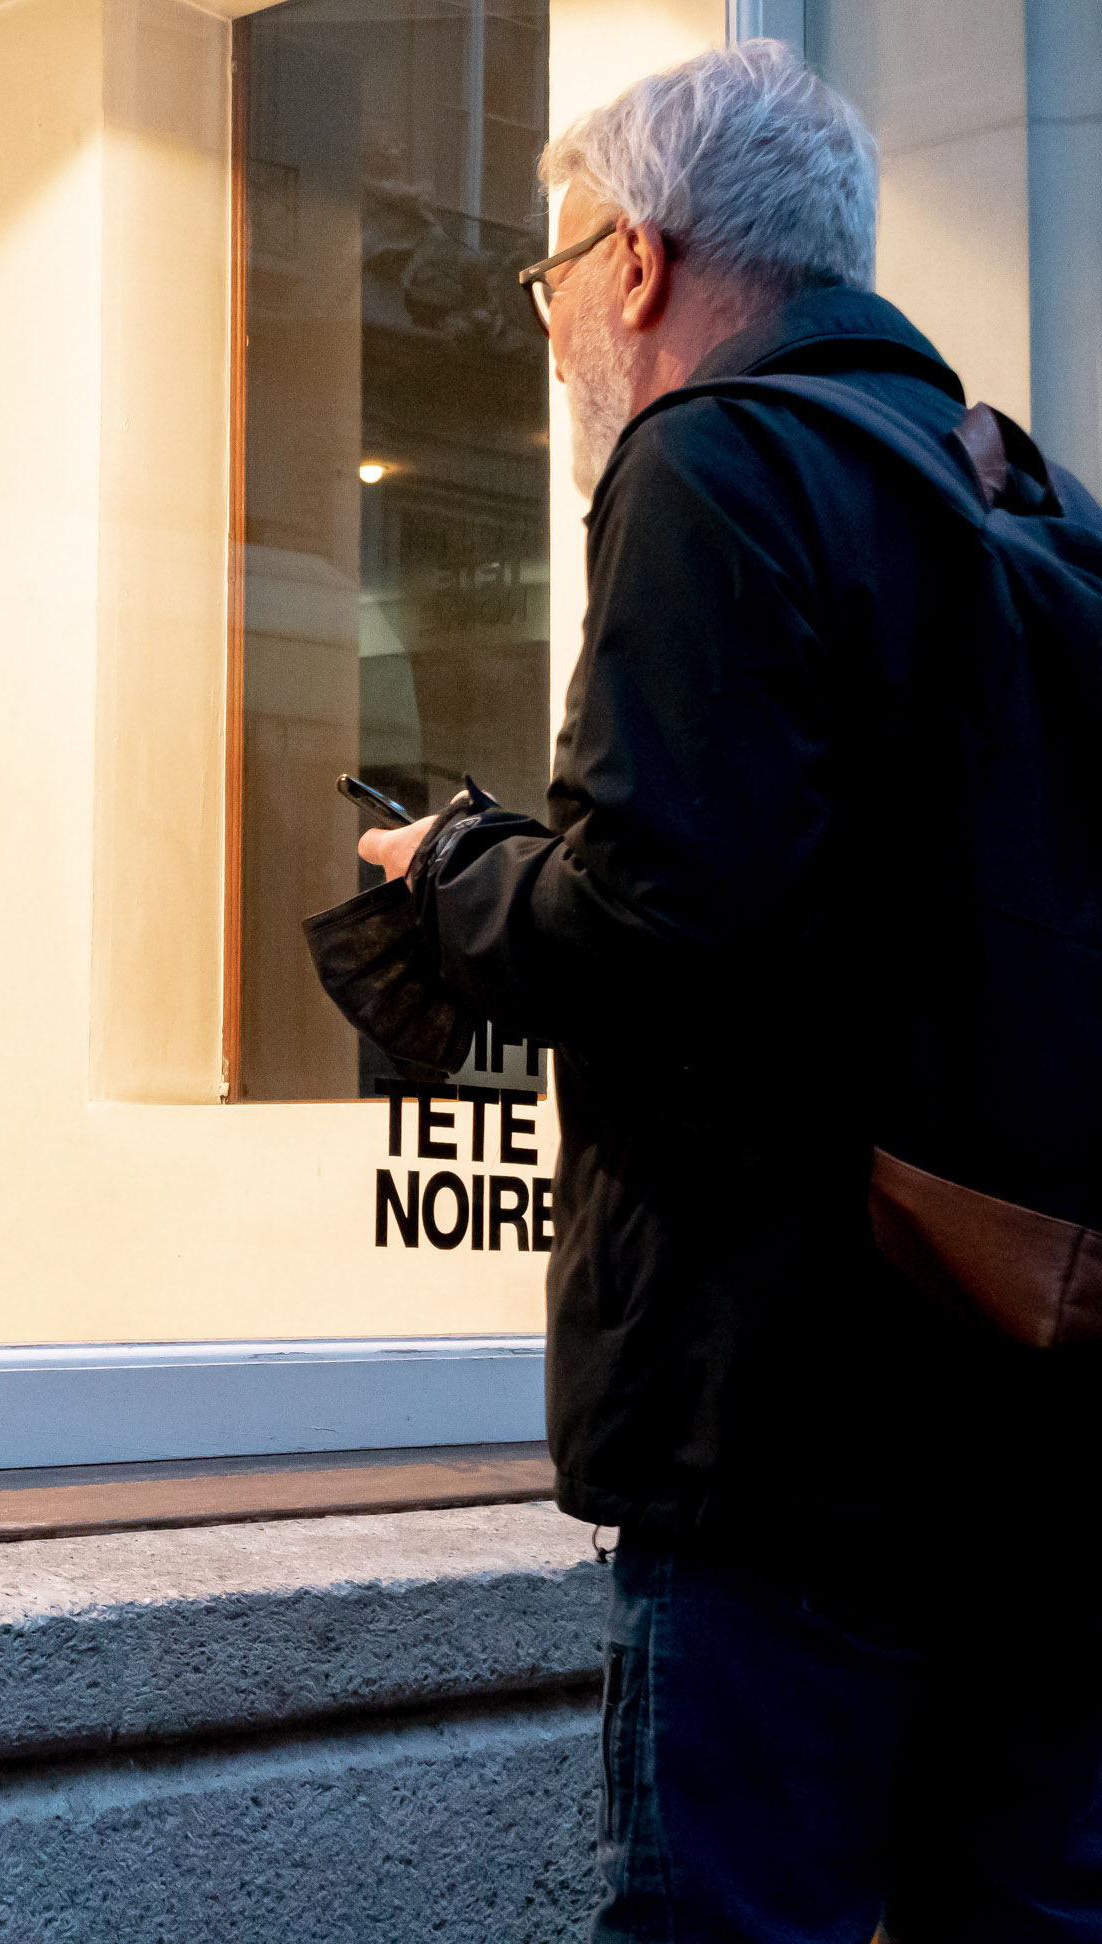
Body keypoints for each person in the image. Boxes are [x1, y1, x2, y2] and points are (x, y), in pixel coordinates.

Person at [356, 41, 1102, 1941]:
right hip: (1030, 1408)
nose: (549, 334)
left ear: (635, 261)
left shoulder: (712, 462)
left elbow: (657, 930)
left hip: (774, 1422)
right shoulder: (1020, 496)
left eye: (549, 282)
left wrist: (450, 872)